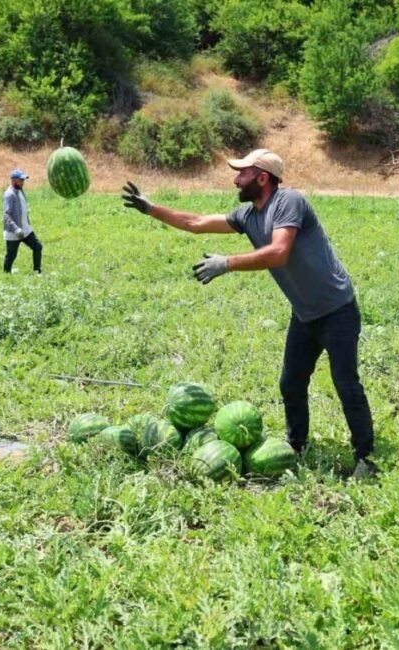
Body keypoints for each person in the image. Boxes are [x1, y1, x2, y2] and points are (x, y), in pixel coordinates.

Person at [121, 149, 377, 478]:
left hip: (337, 309)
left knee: (346, 384)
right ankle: (296, 446)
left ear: (262, 177)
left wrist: (226, 263)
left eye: (242, 173)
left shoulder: (288, 202)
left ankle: (366, 458)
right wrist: (151, 208)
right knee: (291, 383)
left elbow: (279, 252)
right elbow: (197, 223)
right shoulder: (248, 215)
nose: (235, 179)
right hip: (305, 313)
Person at [2, 169, 42, 273]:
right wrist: (16, 229)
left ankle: (37, 271)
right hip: (14, 231)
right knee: (11, 255)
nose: (22, 182)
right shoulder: (9, 194)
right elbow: (6, 215)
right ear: (14, 180)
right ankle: (6, 274)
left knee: (37, 247)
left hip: (25, 229)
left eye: (23, 180)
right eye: (21, 180)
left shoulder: (20, 190)